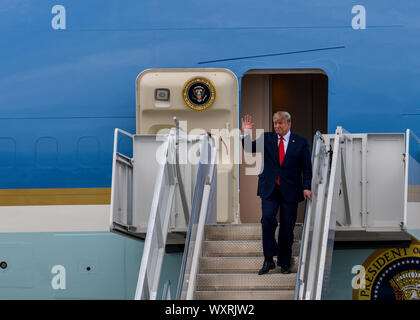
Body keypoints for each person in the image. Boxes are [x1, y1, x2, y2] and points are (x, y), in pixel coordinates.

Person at [241, 111, 312, 275]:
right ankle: (268, 260)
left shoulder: (300, 142)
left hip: (291, 189)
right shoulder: (267, 138)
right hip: (269, 188)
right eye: (275, 123)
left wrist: (306, 187)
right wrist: (245, 132)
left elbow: (306, 167)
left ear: (289, 124)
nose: (277, 126)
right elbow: (249, 147)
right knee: (267, 219)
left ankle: (285, 262)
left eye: (280, 123)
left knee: (287, 227)